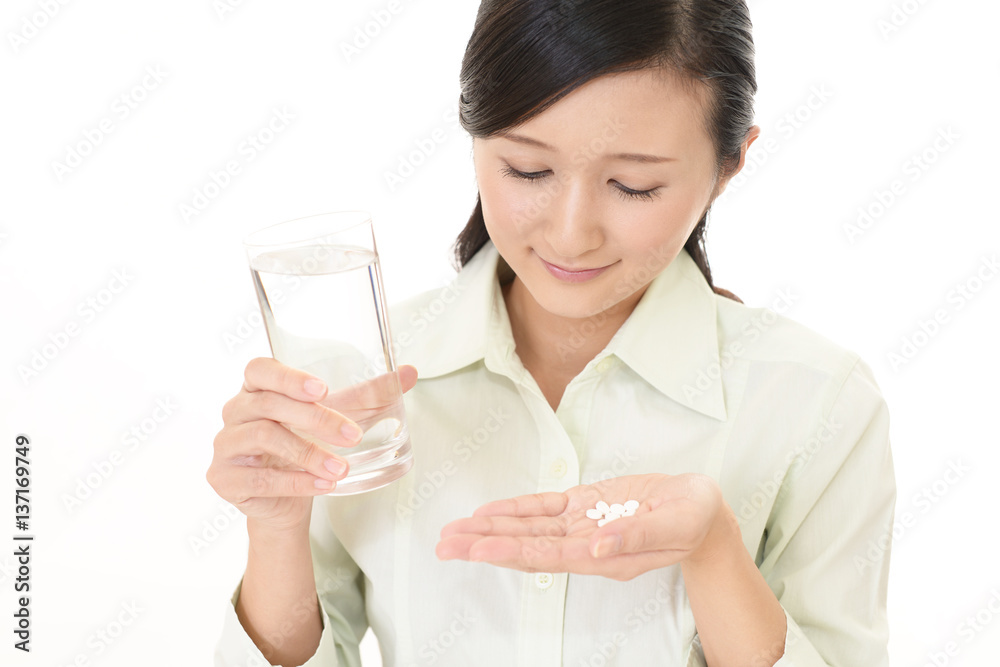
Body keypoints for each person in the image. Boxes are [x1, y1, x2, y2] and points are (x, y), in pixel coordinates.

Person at [209, 1, 896, 665]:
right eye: (527, 170)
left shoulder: (817, 403)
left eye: (633, 185)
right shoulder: (362, 385)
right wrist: (275, 528)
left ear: (728, 165)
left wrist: (713, 551)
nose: (571, 234)